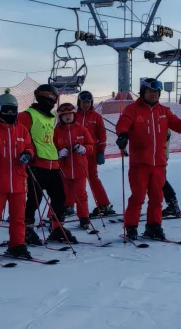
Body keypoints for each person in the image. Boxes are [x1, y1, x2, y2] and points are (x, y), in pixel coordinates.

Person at [115, 77, 181, 241]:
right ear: (143, 93)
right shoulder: (133, 109)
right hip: (140, 163)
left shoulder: (164, 111)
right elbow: (123, 123)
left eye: (156, 92)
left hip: (159, 164)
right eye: (150, 91)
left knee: (157, 198)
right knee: (138, 197)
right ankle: (131, 227)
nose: (153, 94)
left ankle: (154, 226)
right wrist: (123, 135)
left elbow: (178, 123)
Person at [0, 92, 35, 260]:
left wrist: (28, 154)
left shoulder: (22, 129)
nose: (10, 115)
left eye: (13, 111)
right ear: (0, 110)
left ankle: (17, 244)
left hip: (18, 180)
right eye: (7, 111)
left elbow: (30, 146)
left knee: (18, 217)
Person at [19, 83, 71, 244]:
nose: (55, 102)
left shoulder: (50, 116)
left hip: (52, 163)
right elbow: (21, 137)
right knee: (34, 199)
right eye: (53, 98)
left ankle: (57, 228)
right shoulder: (27, 115)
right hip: (37, 163)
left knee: (60, 197)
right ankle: (26, 230)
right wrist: (28, 155)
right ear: (45, 97)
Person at [54, 102, 97, 234]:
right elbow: (51, 148)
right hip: (63, 170)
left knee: (81, 194)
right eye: (64, 115)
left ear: (74, 115)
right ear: (60, 117)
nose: (68, 117)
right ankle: (57, 219)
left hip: (80, 169)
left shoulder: (82, 129)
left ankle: (84, 218)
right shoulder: (55, 132)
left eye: (70, 115)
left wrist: (84, 149)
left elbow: (91, 145)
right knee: (61, 195)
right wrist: (58, 153)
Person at [76, 90, 116, 216]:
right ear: (79, 102)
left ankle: (103, 204)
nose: (86, 104)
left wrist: (100, 152)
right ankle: (68, 205)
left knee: (93, 178)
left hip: (91, 153)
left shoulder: (96, 117)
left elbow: (102, 136)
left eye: (88, 102)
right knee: (73, 179)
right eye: (83, 102)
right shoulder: (73, 115)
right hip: (75, 154)